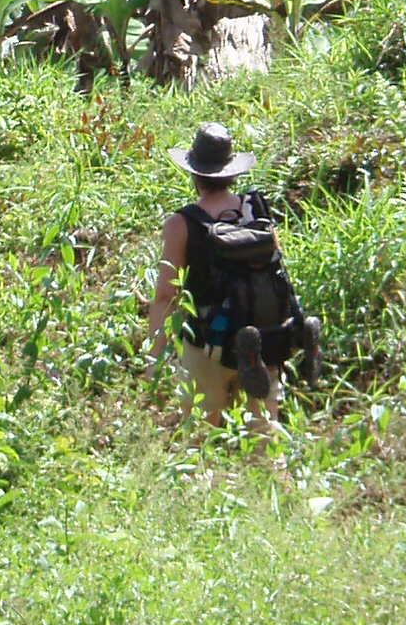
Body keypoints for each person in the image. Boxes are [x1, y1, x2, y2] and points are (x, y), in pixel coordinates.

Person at [134, 123, 318, 429]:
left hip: (207, 342)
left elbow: (167, 296)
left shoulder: (182, 223)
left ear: (194, 173)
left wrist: (155, 356)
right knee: (265, 437)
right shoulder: (255, 209)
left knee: (197, 438)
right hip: (265, 336)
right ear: (232, 171)